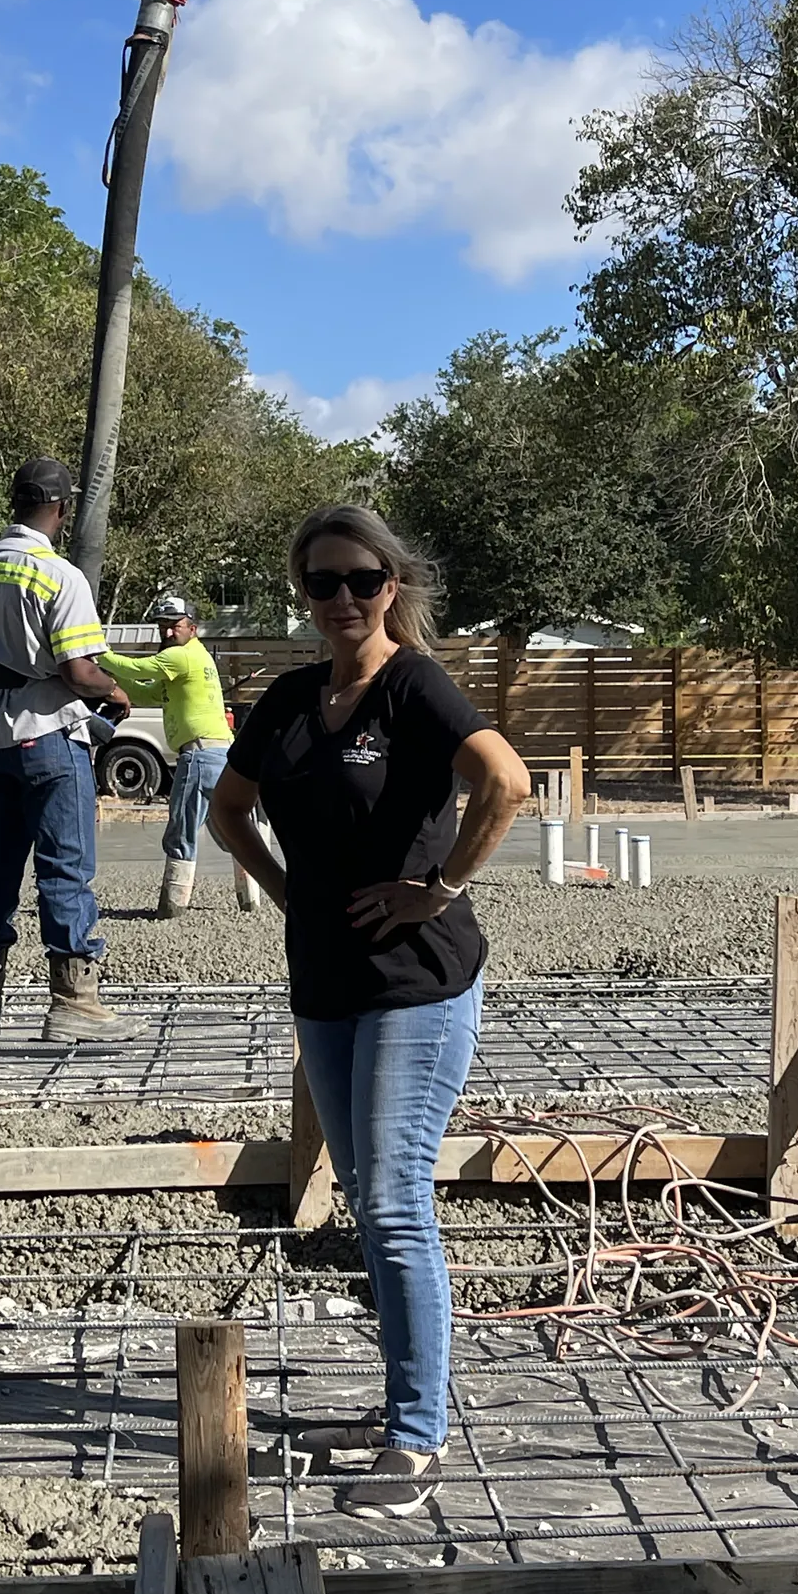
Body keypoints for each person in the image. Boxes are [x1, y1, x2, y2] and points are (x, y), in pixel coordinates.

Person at [210, 505, 531, 1520]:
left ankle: (418, 1439)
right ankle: (400, 1408)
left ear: (391, 586)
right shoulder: (289, 698)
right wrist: (284, 890)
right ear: (303, 593)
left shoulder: (414, 688)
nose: (341, 599)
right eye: (322, 582)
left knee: (394, 1203)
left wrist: (436, 888)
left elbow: (507, 782)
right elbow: (226, 809)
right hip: (325, 982)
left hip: (416, 982)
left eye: (360, 579)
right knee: (365, 1198)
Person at [0, 456, 143, 1044]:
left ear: (15, 502)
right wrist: (113, 690)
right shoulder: (59, 575)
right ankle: (74, 1002)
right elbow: (79, 671)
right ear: (62, 508)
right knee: (64, 867)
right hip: (49, 735)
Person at [102, 596, 234, 917]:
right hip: (221, 754)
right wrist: (113, 681)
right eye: (162, 626)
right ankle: (250, 900)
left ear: (192, 628)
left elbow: (136, 667)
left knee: (181, 832)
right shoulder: (195, 658)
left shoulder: (180, 656)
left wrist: (97, 654)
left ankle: (171, 908)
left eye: (175, 626)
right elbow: (147, 693)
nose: (167, 632)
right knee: (230, 833)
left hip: (198, 755)